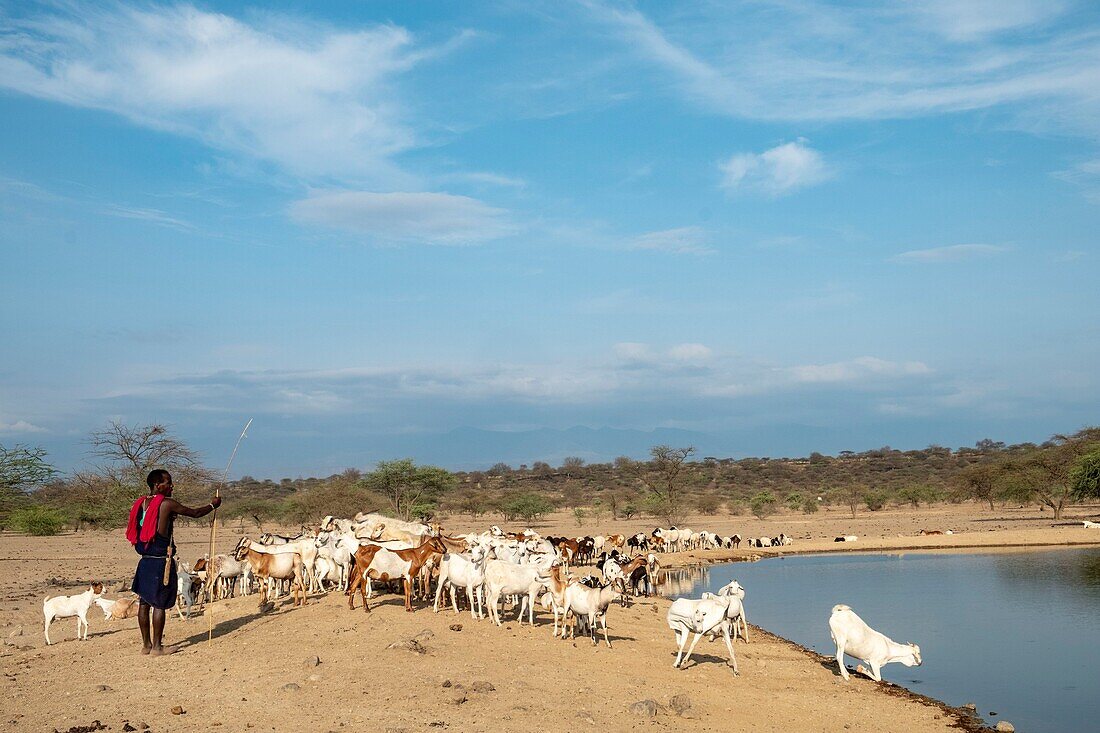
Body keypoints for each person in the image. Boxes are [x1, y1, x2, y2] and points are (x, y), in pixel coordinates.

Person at [126, 469, 221, 656]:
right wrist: (213, 505)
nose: (172, 486)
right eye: (168, 482)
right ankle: (157, 647)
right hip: (161, 562)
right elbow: (195, 513)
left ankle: (146, 645)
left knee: (144, 603)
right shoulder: (166, 504)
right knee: (159, 604)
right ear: (157, 485)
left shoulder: (141, 503)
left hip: (144, 561)